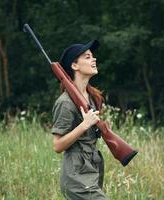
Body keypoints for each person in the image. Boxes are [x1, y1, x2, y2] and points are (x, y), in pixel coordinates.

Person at [51, 40, 108, 199]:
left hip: (92, 170)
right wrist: (84, 125)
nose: (94, 59)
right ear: (74, 66)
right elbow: (57, 145)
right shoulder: (65, 103)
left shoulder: (92, 97)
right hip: (76, 177)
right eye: (88, 57)